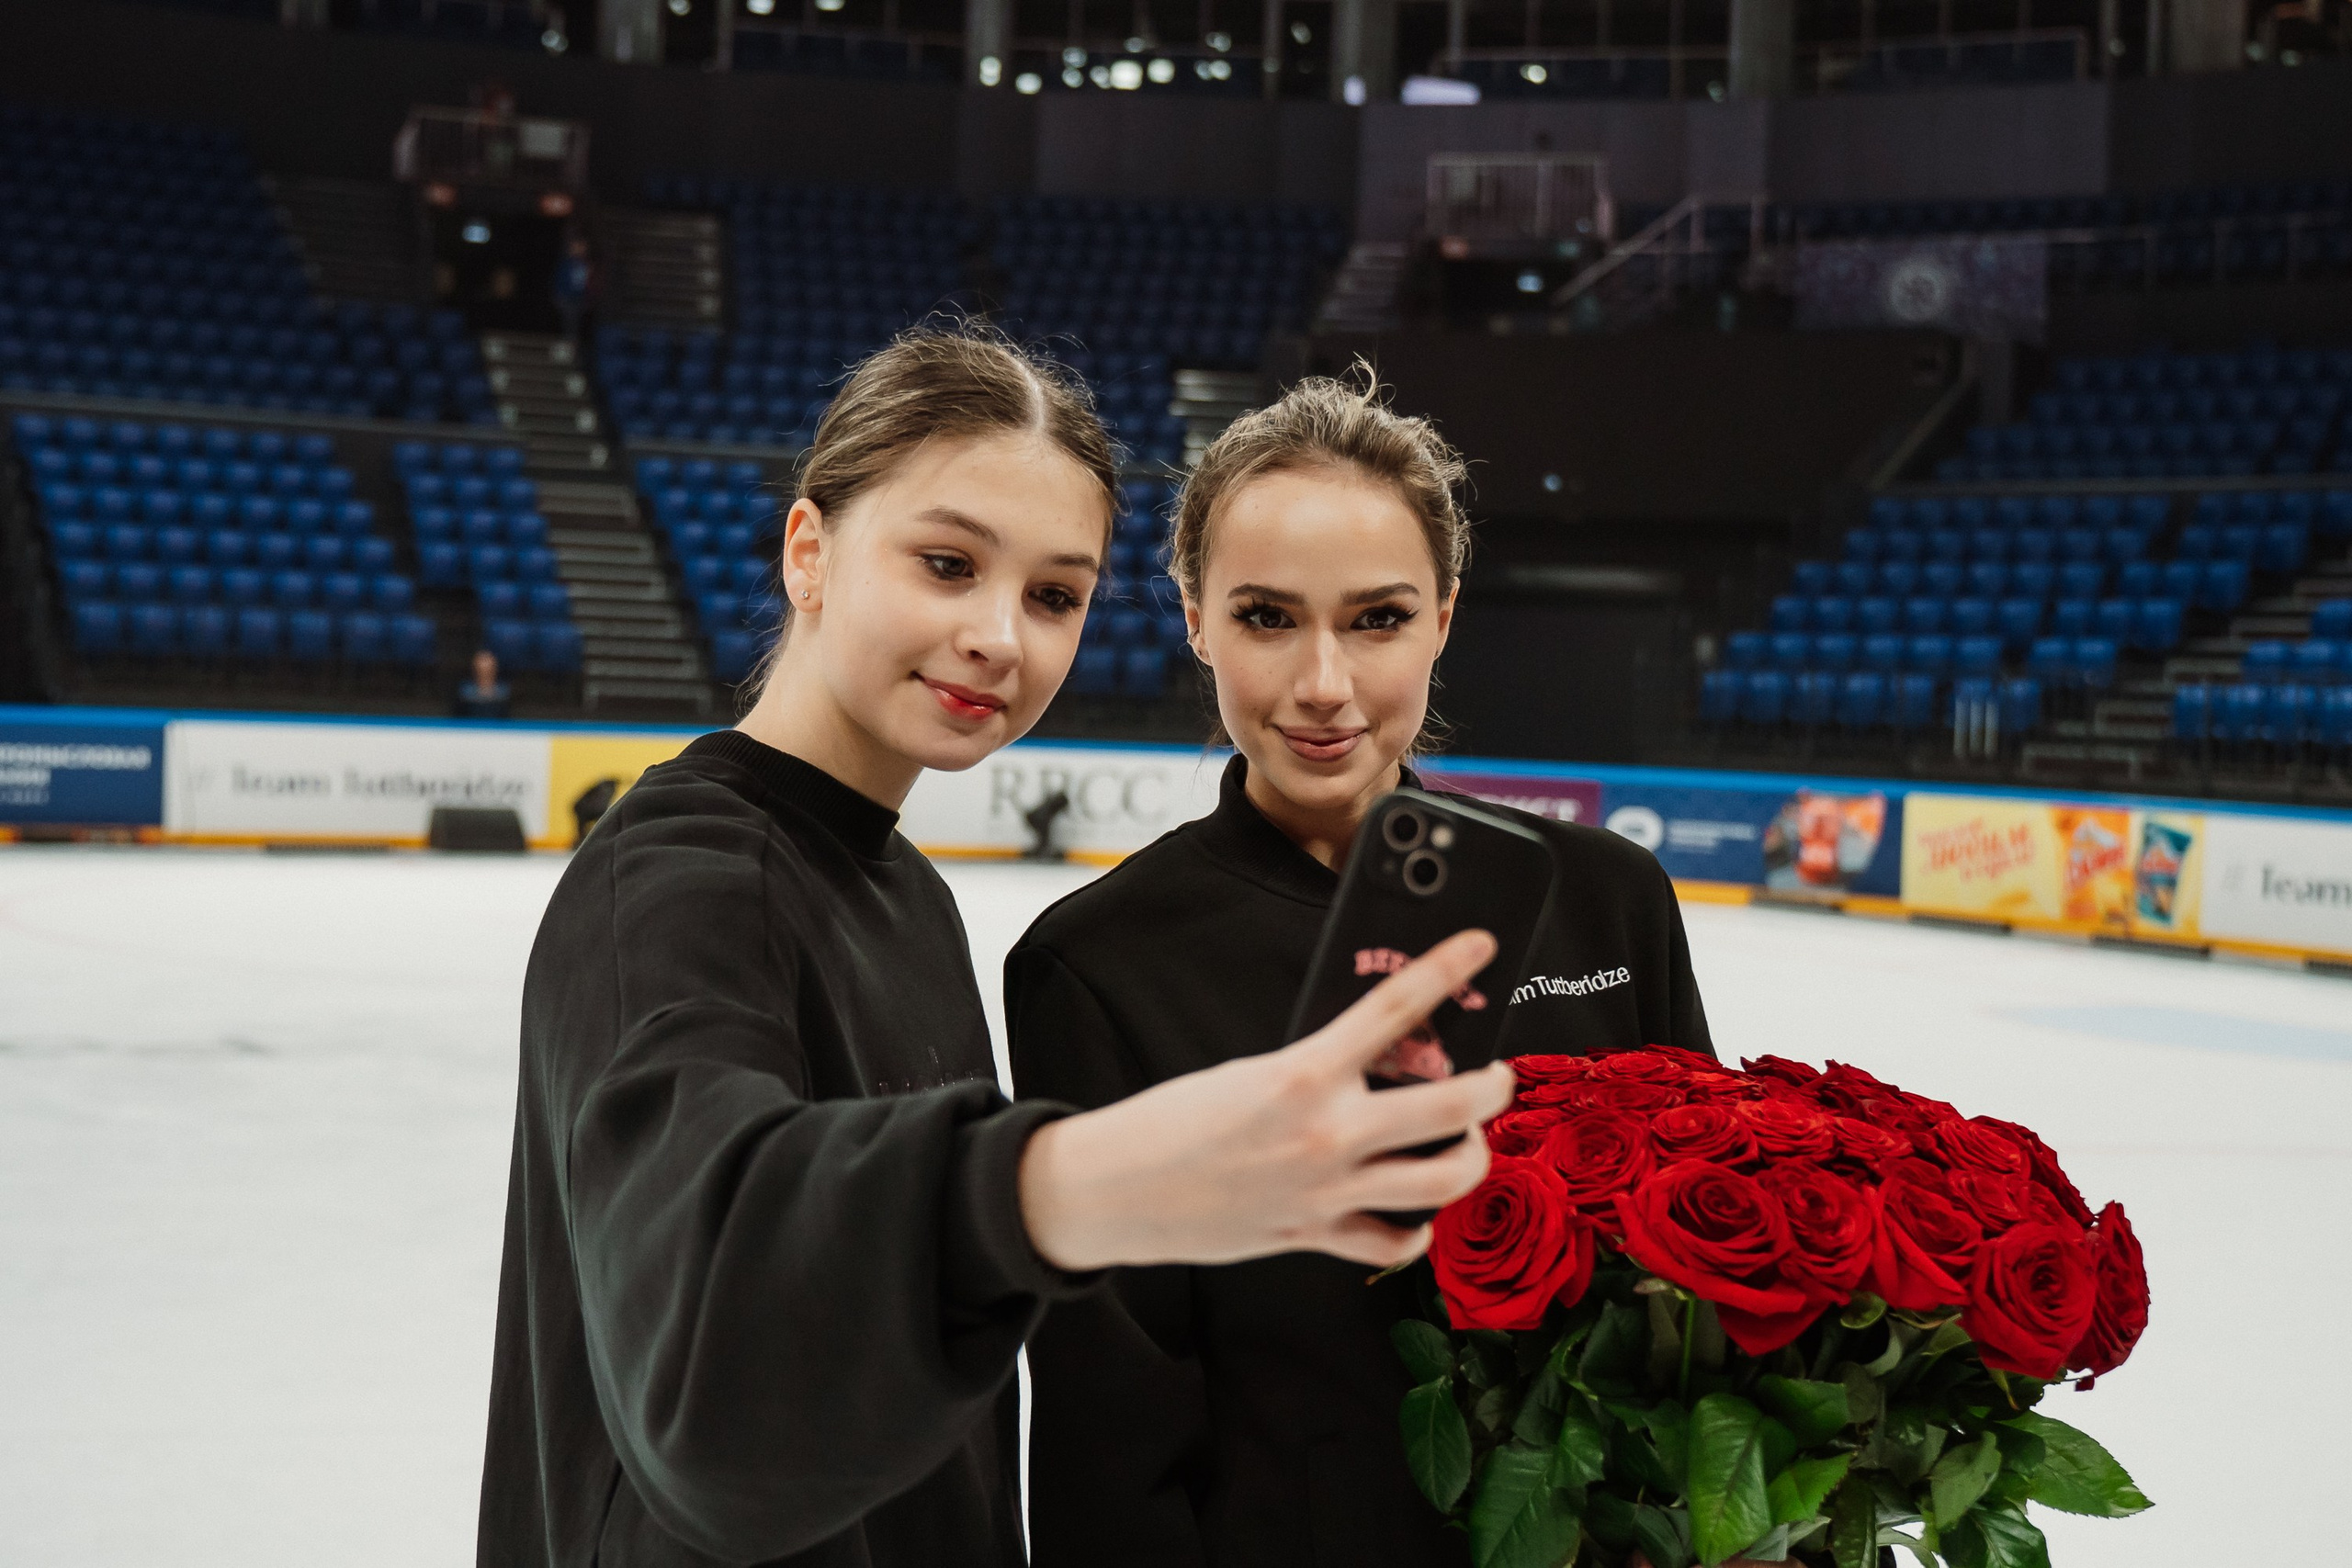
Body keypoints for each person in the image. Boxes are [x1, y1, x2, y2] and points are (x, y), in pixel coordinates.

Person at [476, 330, 1518, 1568]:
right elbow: (709, 1328)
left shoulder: (903, 892)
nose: (1001, 636)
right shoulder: (675, 882)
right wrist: (1073, 1183)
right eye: (948, 563)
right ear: (809, 552)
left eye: (1054, 595)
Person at [1009, 371, 1714, 1568]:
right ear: (1195, 617)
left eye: (1377, 618)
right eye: (1267, 617)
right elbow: (1110, 1444)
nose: (1323, 685)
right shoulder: (1095, 965)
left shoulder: (1609, 898)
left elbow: (1705, 1291)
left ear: (1444, 615)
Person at [453, 648, 511, 718]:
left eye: (488, 664)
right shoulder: (465, 691)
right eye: (481, 663)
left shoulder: (503, 691)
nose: (484, 668)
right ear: (474, 667)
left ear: (495, 667)